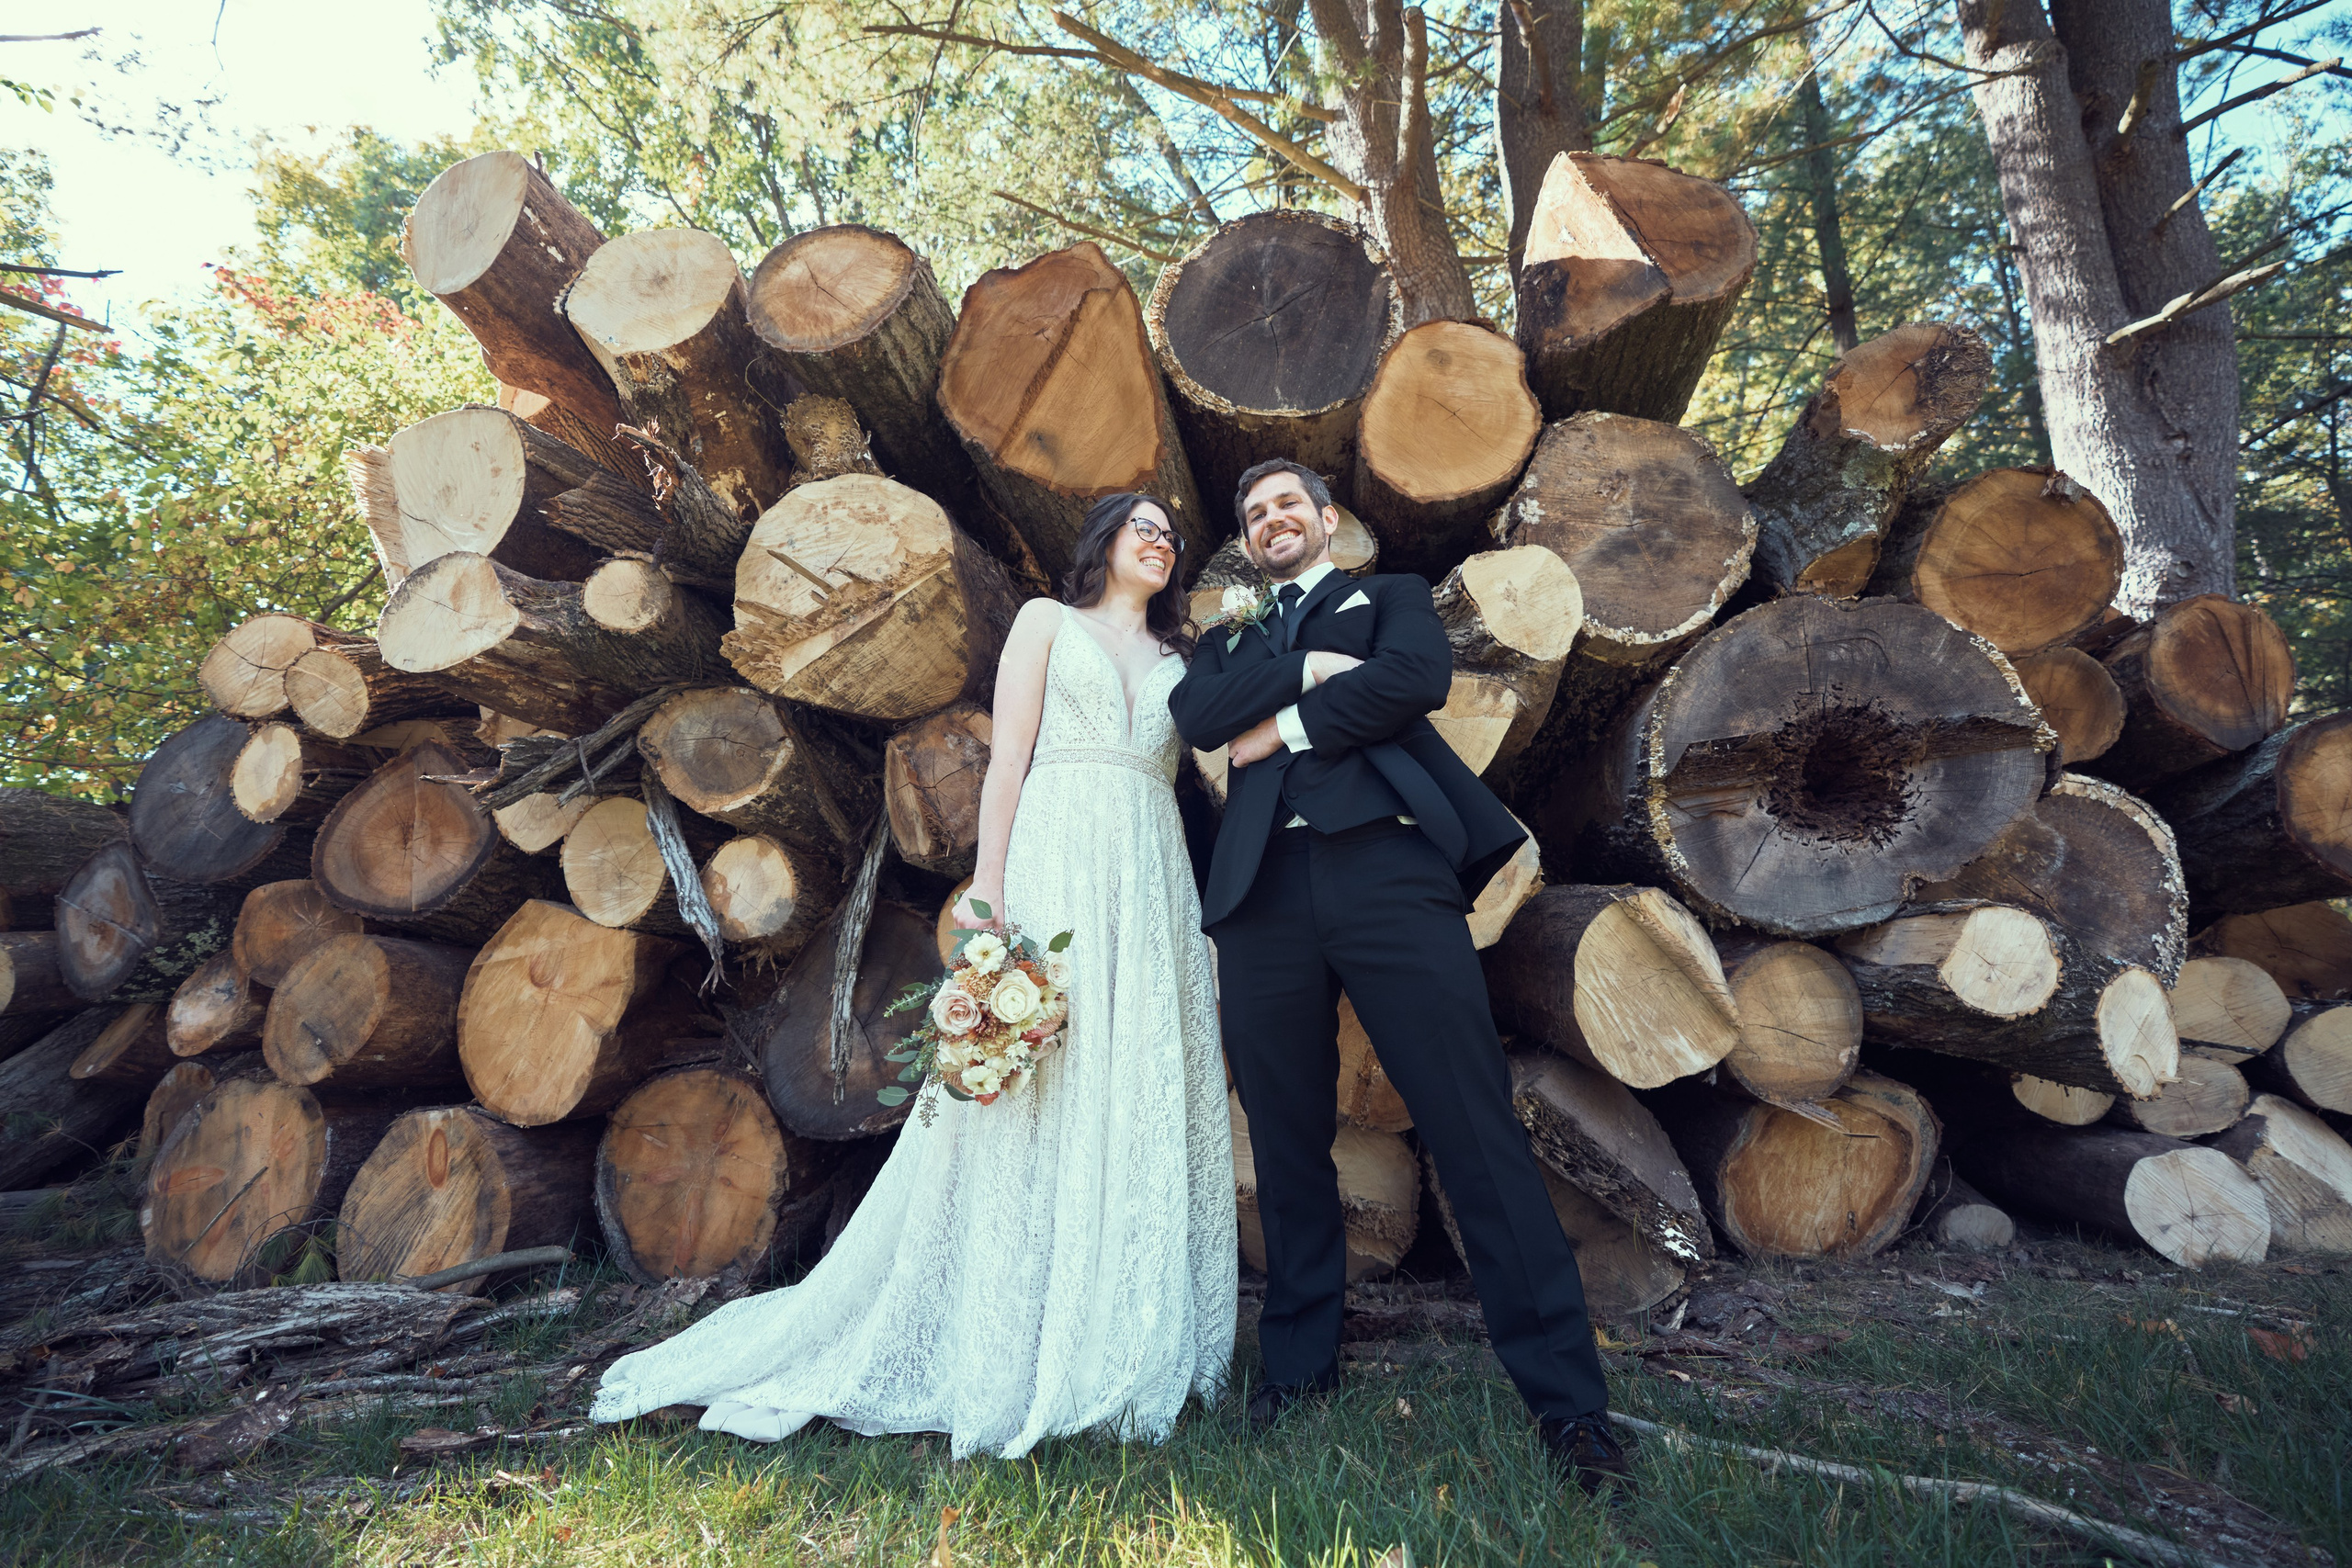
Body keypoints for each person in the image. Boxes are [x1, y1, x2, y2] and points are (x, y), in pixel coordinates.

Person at [591, 493, 1236, 1461]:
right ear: (1102, 541)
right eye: (1141, 526)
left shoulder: (1184, 660)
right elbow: (1007, 761)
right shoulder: (1046, 623)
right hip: (1060, 854)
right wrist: (989, 888)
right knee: (1044, 1077)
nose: (1160, 541)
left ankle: (1121, 1317)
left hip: (1148, 872)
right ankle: (1020, 1323)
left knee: (1131, 1075)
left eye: (1170, 535)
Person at [1167, 458, 1634, 1496]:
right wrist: (1308, 670)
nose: (1273, 519)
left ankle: (1569, 1404)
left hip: (1386, 872)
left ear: (1326, 520)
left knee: (1472, 1124)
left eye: (1288, 504)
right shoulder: (1229, 634)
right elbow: (1200, 717)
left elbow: (1412, 682)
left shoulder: (1389, 600)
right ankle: (1297, 1372)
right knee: (1285, 1139)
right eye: (1255, 513)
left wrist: (1281, 728)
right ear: (1247, 541)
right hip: (1260, 896)